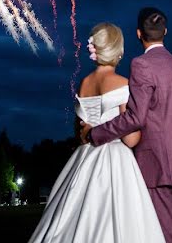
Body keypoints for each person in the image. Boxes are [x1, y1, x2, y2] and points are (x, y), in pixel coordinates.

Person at [29, 22, 165, 243]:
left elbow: (80, 132)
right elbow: (130, 139)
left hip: (85, 156)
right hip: (116, 160)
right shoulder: (123, 84)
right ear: (117, 50)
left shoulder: (84, 83)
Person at [81, 8, 172, 243]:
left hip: (158, 165)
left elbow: (135, 118)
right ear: (165, 31)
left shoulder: (142, 65)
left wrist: (96, 133)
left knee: (161, 236)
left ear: (138, 34)